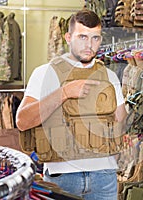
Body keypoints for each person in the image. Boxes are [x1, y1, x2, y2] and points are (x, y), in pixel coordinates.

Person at [16, 9, 127, 200]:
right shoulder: (45, 73)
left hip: (105, 175)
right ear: (68, 37)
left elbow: (120, 121)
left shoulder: (108, 75)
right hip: (63, 177)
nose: (89, 45)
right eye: (82, 37)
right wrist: (65, 92)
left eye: (95, 38)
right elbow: (23, 121)